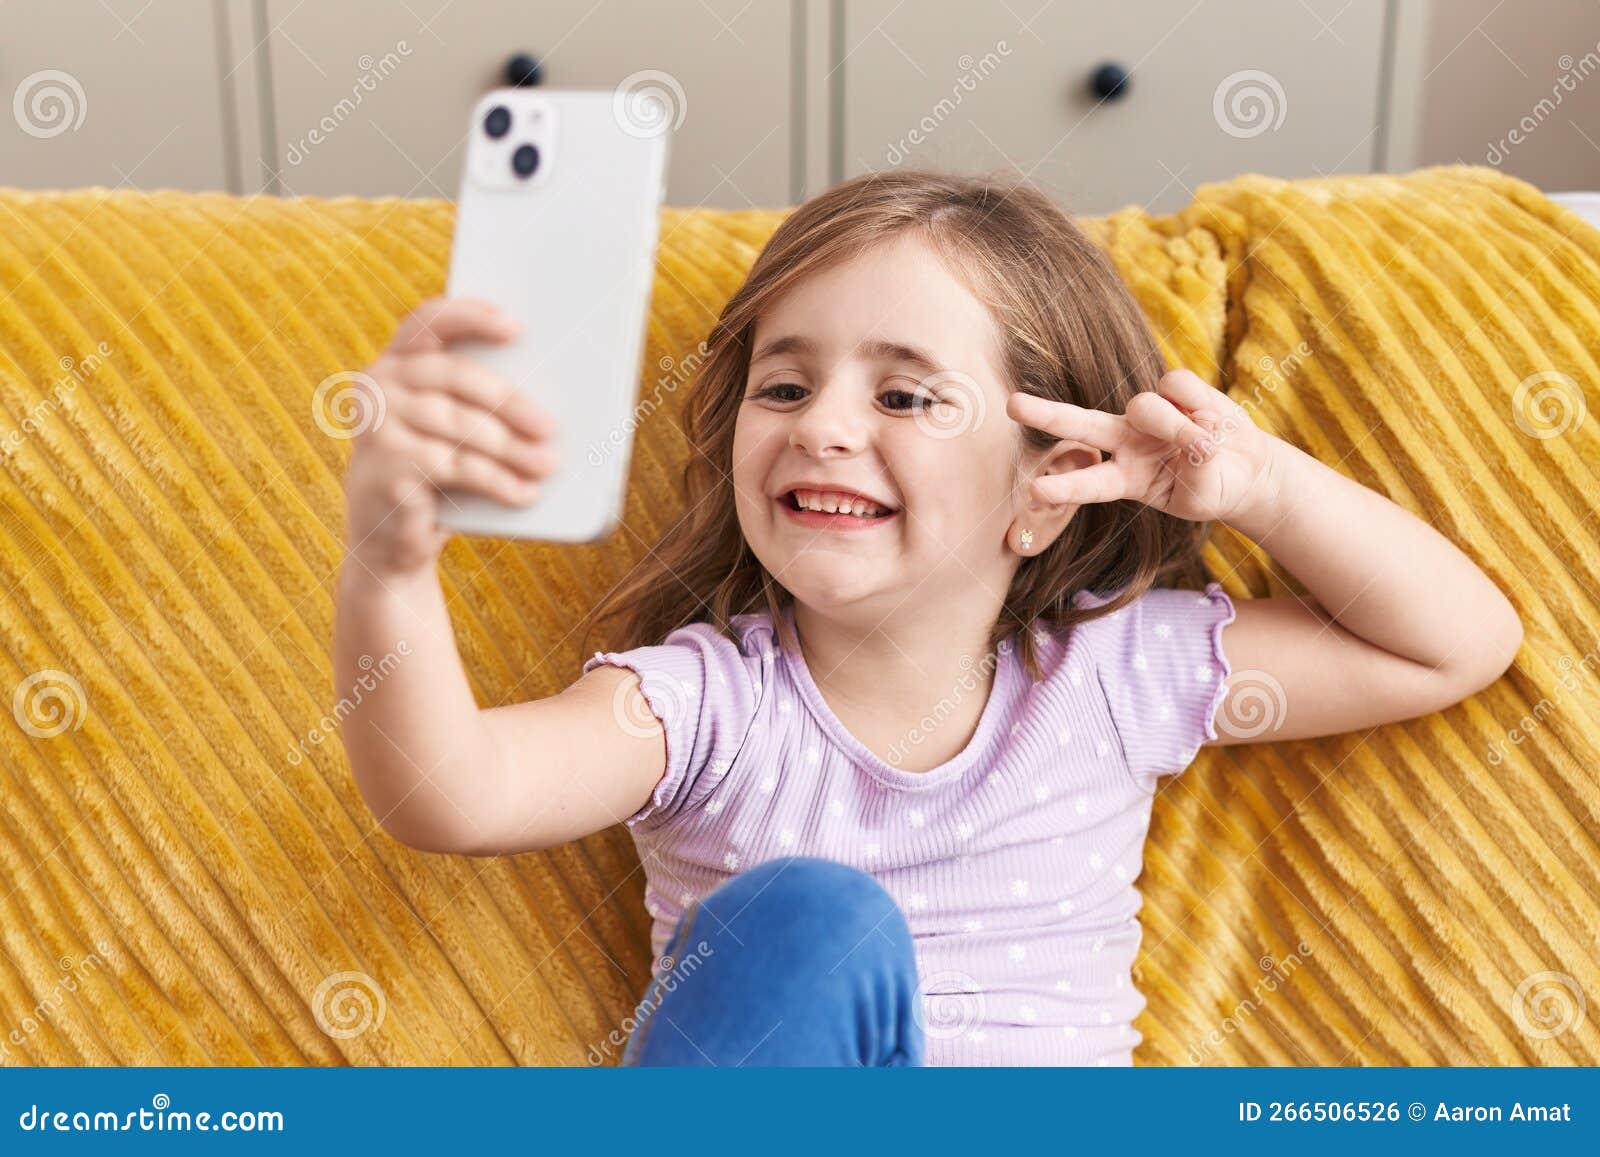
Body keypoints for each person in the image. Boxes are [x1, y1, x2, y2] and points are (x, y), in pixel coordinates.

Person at [334, 169, 1522, 1066]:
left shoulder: (1110, 670)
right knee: (813, 921)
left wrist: (1258, 487)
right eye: (784, 386)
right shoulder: (705, 703)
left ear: (1044, 486)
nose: (821, 425)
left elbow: (1451, 642)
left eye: (902, 393)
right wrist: (388, 566)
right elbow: (455, 791)